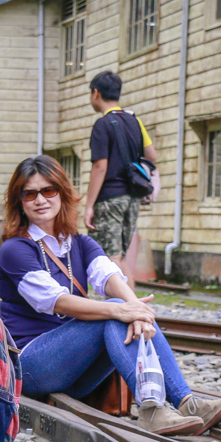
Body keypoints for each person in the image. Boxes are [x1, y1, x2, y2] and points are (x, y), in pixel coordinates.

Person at [0, 155, 221, 435]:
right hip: (31, 367)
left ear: (62, 194)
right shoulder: (16, 250)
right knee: (114, 310)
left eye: (48, 190)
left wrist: (135, 307)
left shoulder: (81, 243)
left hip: (75, 370)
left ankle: (187, 403)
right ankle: (152, 410)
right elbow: (56, 301)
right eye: (30, 194)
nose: (40, 200)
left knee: (121, 305)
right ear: (20, 202)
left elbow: (109, 276)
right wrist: (121, 309)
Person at [82, 70, 159, 288]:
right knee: (121, 258)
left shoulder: (102, 125)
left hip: (109, 199)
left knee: (110, 259)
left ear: (95, 93)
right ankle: (133, 309)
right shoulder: (134, 121)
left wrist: (89, 206)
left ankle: (121, 312)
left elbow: (100, 166)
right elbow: (151, 155)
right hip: (132, 199)